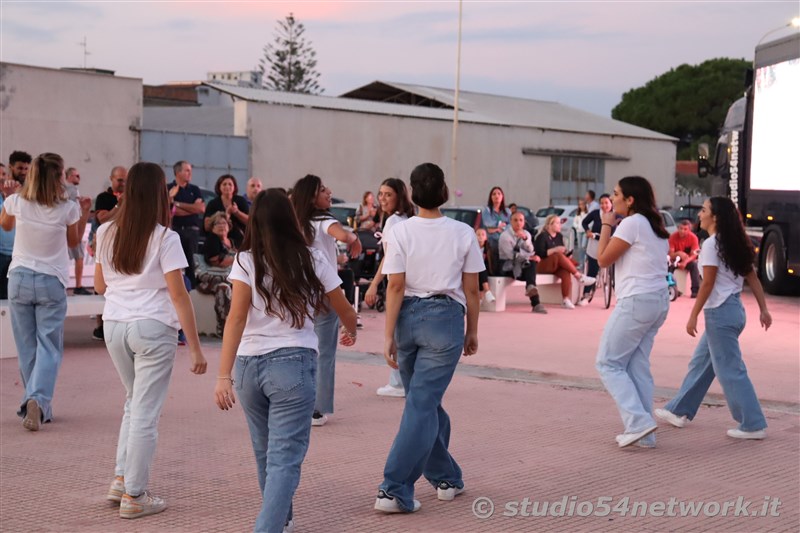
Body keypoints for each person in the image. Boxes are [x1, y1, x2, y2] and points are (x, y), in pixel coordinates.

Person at [214, 189, 357, 533]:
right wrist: (351, 329)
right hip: (292, 362)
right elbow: (342, 307)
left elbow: (235, 318)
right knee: (285, 459)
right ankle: (269, 527)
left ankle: (283, 519)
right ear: (290, 219)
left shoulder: (245, 260)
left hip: (248, 367)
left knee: (266, 453)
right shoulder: (311, 258)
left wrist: (222, 376)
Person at [95, 161, 206, 519]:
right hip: (153, 328)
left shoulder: (105, 232)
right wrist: (196, 349)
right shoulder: (165, 237)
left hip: (114, 325)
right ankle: (135, 495)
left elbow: (99, 286)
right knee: (145, 412)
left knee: (133, 404)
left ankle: (121, 479)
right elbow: (178, 295)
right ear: (160, 193)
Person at [374, 162, 482, 515]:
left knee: (423, 405)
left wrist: (388, 334)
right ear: (444, 192)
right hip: (445, 319)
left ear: (412, 193)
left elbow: (395, 285)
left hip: (407, 317)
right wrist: (473, 331)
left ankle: (445, 475)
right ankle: (393, 489)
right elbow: (472, 290)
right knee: (424, 406)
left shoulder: (401, 232)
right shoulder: (463, 232)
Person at [656, 197, 771, 440]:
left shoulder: (710, 245)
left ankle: (752, 423)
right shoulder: (733, 243)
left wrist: (693, 315)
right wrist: (763, 309)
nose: (700, 214)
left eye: (704, 210)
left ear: (716, 217)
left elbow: (707, 283)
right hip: (732, 311)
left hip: (719, 313)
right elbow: (752, 279)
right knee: (701, 364)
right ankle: (679, 410)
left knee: (730, 370)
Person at [0, 153, 91, 430]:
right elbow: (74, 241)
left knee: (27, 347)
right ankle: (37, 401)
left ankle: (34, 402)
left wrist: (6, 197)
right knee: (49, 346)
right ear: (59, 177)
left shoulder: (17, 201)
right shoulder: (68, 208)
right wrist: (84, 210)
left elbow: (5, 225)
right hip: (51, 280)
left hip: (19, 278)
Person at [595, 176, 670, 448]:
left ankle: (638, 422)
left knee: (608, 363)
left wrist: (606, 224)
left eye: (616, 194)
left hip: (637, 301)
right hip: (658, 300)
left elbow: (603, 259)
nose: (612, 199)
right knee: (636, 366)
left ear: (630, 200)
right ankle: (645, 433)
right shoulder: (654, 224)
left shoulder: (632, 223)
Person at [292, 174, 362, 426]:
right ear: (312, 196)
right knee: (324, 353)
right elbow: (342, 235)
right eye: (323, 190)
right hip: (324, 292)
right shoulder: (323, 219)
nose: (329, 192)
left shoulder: (296, 221)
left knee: (300, 346)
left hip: (299, 291)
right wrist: (353, 239)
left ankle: (296, 401)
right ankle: (317, 409)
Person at [364, 178, 416, 398]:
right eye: (380, 194)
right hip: (413, 281)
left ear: (399, 196)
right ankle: (405, 380)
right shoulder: (409, 219)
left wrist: (374, 284)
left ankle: (398, 382)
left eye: (388, 194)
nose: (382, 199)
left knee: (395, 330)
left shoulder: (394, 222)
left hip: (398, 280)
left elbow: (388, 258)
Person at [90, 166, 127, 341]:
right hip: (104, 245)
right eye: (120, 180)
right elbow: (103, 218)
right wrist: (120, 204)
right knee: (101, 286)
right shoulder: (104, 198)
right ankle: (100, 326)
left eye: (126, 180)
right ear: (111, 179)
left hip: (125, 244)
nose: (123, 183)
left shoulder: (132, 198)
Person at [534, 214, 595, 309]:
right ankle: (579, 276)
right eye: (557, 223)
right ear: (550, 225)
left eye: (560, 223)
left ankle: (566, 299)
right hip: (542, 265)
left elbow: (560, 255)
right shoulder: (542, 236)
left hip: (554, 265)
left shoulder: (559, 236)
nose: (560, 225)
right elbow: (540, 253)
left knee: (565, 272)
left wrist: (567, 256)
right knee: (558, 254)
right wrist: (555, 250)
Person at [499, 211, 547, 313]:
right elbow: (511, 256)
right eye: (515, 220)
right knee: (531, 265)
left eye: (521, 220)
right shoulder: (505, 236)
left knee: (531, 266)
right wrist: (529, 258)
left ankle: (532, 291)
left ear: (524, 222)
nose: (518, 223)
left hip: (523, 265)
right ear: (510, 222)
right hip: (507, 266)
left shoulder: (527, 234)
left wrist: (525, 239)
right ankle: (536, 303)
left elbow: (531, 250)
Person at [198, 212, 237, 337]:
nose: (221, 226)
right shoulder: (212, 240)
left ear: (229, 226)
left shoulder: (233, 241)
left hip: (231, 278)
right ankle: (224, 326)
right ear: (212, 227)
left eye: (224, 223)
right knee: (223, 288)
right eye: (217, 223)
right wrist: (235, 259)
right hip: (211, 279)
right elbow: (216, 261)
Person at [168, 160, 205, 289]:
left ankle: (192, 290)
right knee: (175, 263)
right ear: (178, 172)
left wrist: (176, 203)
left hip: (192, 232)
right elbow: (171, 211)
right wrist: (191, 208)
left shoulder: (194, 190)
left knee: (191, 263)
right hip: (175, 230)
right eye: (187, 170)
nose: (190, 173)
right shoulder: (169, 189)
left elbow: (200, 209)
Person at [579, 193, 616, 305]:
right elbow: (584, 222)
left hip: (610, 244)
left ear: (611, 203)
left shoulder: (615, 215)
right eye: (602, 203)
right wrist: (588, 231)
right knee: (592, 270)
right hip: (594, 244)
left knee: (615, 273)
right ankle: (586, 295)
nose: (604, 205)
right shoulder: (595, 214)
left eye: (606, 203)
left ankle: (619, 296)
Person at [64, 167, 91, 295]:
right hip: (71, 226)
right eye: (75, 175)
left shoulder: (73, 190)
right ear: (68, 177)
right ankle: (78, 285)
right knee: (78, 256)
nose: (78, 178)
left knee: (77, 256)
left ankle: (75, 285)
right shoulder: (71, 190)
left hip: (74, 224)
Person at [203, 174, 249, 248]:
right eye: (224, 184)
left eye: (230, 184)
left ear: (234, 187)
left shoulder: (240, 201)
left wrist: (237, 212)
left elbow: (250, 221)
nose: (227, 186)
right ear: (219, 187)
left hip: (239, 238)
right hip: (218, 239)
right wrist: (225, 214)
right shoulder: (213, 203)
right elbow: (206, 226)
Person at [1, 163, 21, 299]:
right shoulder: (8, 197)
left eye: (4, 174)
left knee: (9, 298)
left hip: (13, 254)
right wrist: (9, 198)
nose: (3, 178)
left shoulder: (10, 196)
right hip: (1, 253)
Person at [668, 219, 701, 298]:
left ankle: (695, 290)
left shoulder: (694, 238)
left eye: (685, 229)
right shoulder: (672, 237)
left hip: (689, 261)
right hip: (675, 260)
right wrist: (679, 253)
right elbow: (670, 253)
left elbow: (694, 255)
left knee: (694, 265)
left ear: (689, 230)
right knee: (668, 266)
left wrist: (685, 262)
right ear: (678, 228)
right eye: (681, 228)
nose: (682, 231)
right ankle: (671, 287)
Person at [482, 186, 511, 254]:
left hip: (505, 239)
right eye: (494, 194)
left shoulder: (507, 211)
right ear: (491, 197)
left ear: (502, 196)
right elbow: (488, 223)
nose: (496, 196)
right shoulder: (487, 211)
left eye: (499, 193)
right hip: (492, 240)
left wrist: (496, 229)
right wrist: (499, 225)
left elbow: (510, 225)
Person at [475, 228, 494, 303]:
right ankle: (487, 291)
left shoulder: (489, 249)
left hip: (486, 270)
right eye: (478, 235)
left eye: (483, 235)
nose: (480, 237)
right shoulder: (471, 248)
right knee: (479, 269)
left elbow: (492, 263)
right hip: (474, 270)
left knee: (481, 268)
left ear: (486, 237)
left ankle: (480, 298)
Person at [572, 199, 589, 272]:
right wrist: (577, 227)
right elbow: (574, 223)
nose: (581, 206)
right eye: (580, 204)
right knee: (579, 248)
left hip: (585, 232)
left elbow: (590, 222)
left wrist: (587, 228)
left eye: (582, 204)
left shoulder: (587, 213)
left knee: (583, 246)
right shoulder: (578, 214)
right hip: (579, 232)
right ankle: (581, 264)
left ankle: (585, 262)